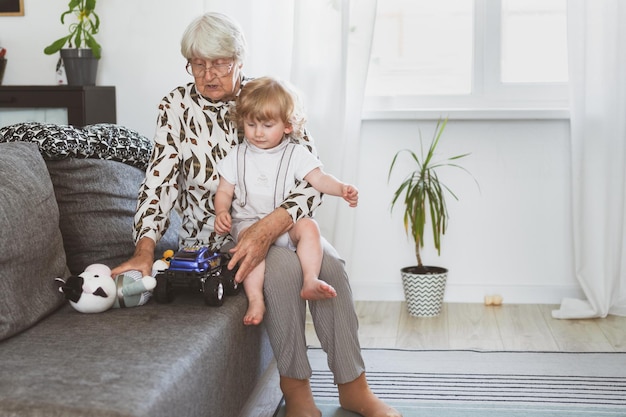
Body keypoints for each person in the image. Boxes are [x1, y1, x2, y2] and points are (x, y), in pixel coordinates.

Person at [111, 12, 401, 417]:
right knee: (283, 273)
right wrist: (145, 247)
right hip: (218, 237)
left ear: (240, 60)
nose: (209, 74)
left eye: (220, 62)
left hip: (279, 225)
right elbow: (158, 183)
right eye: (199, 63)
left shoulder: (269, 96)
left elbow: (310, 176)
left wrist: (271, 225)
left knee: (331, 266)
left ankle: (354, 386)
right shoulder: (174, 107)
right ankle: (297, 395)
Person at [214, 76, 359, 326]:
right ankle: (255, 297)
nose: (258, 133)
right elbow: (224, 190)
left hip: (283, 226)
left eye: (267, 125)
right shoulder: (237, 155)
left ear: (287, 126)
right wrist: (221, 211)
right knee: (251, 245)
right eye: (251, 124)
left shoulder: (295, 153)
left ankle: (310, 280)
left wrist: (341, 188)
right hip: (248, 223)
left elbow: (319, 179)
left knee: (309, 227)